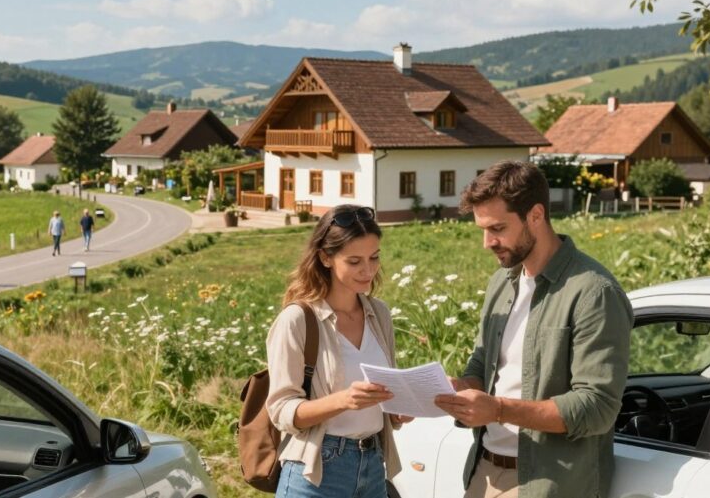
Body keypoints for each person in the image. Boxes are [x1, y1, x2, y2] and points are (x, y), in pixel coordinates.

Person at [433, 161, 633, 498]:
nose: (487, 242)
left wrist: (497, 409)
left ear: (536, 215)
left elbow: (596, 407)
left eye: (497, 228)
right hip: (484, 470)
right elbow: (483, 366)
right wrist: (460, 388)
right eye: (482, 229)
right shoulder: (502, 281)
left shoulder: (593, 293)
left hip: (548, 484)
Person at [266, 204, 412, 498]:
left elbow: (385, 388)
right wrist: (344, 400)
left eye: (374, 258)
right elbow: (281, 412)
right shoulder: (297, 320)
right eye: (355, 261)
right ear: (326, 258)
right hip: (317, 470)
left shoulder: (379, 314)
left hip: (373, 464)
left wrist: (397, 410)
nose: (368, 270)